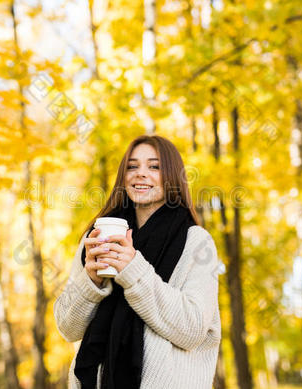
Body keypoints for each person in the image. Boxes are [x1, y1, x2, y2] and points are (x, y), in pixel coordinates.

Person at [53, 135, 221, 389]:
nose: (141, 174)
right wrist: (91, 281)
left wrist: (133, 271)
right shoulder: (97, 237)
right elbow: (68, 327)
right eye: (132, 167)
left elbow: (193, 329)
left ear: (172, 177)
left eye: (154, 167)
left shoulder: (196, 241)